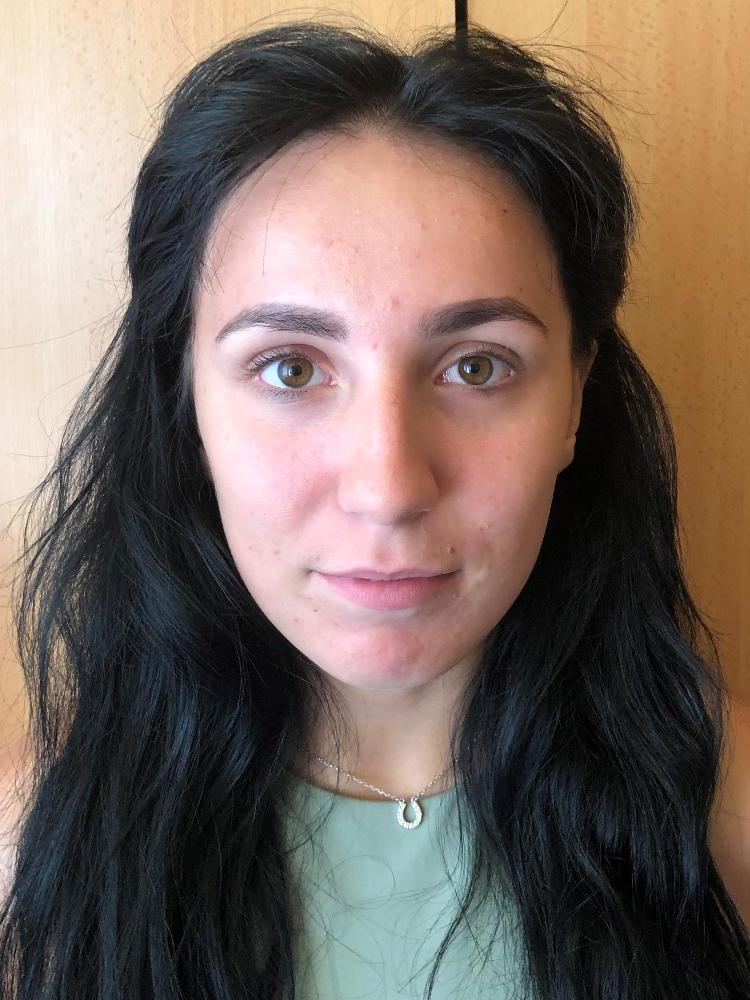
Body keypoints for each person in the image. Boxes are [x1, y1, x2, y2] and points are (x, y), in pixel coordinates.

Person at [1, 18, 749, 1000]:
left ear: (574, 396)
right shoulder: (36, 840)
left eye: (476, 367)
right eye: (290, 368)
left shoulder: (727, 814)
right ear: (187, 405)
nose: (389, 487)